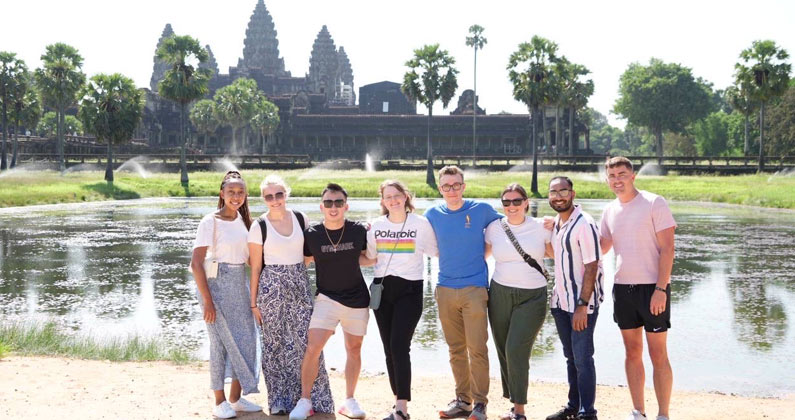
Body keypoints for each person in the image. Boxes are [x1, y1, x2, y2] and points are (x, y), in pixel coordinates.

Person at [248, 174, 334, 416]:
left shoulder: (300, 218)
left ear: (286, 194)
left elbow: (310, 253)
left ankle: (311, 399)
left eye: (279, 194)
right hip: (270, 288)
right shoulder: (259, 226)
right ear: (264, 199)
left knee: (307, 343)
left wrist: (298, 269)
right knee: (274, 345)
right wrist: (253, 303)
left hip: (299, 285)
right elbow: (255, 267)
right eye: (269, 196)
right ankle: (278, 400)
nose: (275, 200)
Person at [599, 157, 676, 420]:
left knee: (658, 353)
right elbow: (602, 247)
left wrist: (661, 289)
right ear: (607, 180)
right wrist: (565, 224)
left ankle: (663, 414)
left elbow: (668, 249)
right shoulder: (609, 210)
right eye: (612, 176)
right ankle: (638, 412)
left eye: (622, 174)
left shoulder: (655, 203)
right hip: (623, 289)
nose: (617, 179)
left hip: (653, 289)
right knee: (632, 352)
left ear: (633, 176)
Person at [425, 165, 501, 420]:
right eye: (446, 186)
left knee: (477, 348)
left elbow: (511, 224)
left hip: (475, 289)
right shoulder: (432, 214)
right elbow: (410, 231)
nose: (452, 190)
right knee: (455, 348)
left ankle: (480, 404)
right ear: (440, 188)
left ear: (463, 186)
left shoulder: (481, 210)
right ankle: (463, 401)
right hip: (444, 288)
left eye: (456, 185)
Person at [289, 183, 370, 420]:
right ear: (321, 207)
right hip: (326, 298)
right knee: (313, 346)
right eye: (328, 203)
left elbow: (368, 257)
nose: (333, 207)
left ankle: (349, 401)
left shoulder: (359, 231)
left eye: (338, 203)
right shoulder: (311, 235)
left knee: (353, 349)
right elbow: (303, 262)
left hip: (357, 299)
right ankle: (305, 401)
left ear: (346, 206)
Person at [190, 170, 262, 419]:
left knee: (246, 339)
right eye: (231, 192)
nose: (236, 196)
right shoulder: (210, 221)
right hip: (216, 287)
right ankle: (220, 401)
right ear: (222, 194)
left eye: (240, 192)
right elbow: (196, 264)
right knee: (219, 344)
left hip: (239, 285)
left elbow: (253, 260)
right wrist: (208, 301)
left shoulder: (245, 221)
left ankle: (236, 398)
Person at [366, 179, 438, 420]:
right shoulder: (375, 226)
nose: (393, 200)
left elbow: (436, 251)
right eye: (388, 197)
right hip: (382, 289)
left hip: (410, 289)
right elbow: (370, 257)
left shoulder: (421, 223)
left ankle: (402, 408)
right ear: (383, 201)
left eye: (397, 195)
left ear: (406, 196)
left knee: (399, 345)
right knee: (389, 349)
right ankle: (398, 401)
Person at [484, 183, 550, 420]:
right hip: (500, 293)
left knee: (516, 349)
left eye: (516, 201)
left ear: (526, 203)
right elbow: (481, 256)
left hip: (532, 295)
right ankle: (513, 401)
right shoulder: (494, 228)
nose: (511, 206)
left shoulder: (543, 227)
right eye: (506, 202)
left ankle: (520, 410)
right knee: (503, 349)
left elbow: (560, 253)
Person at [545, 176, 604, 420]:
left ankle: (587, 412)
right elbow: (555, 255)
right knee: (571, 357)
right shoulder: (557, 224)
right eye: (553, 192)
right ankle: (573, 406)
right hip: (560, 302)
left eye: (563, 191)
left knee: (583, 358)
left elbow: (592, 266)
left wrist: (582, 305)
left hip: (581, 304)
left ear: (573, 193)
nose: (558, 196)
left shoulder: (585, 223)